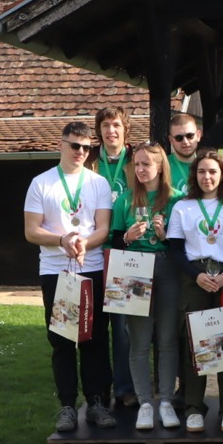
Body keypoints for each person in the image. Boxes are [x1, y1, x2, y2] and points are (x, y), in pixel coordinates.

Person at [23, 121, 115, 432]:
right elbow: (31, 230)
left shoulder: (98, 183)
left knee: (96, 338)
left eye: (87, 147)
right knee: (62, 340)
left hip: (90, 268)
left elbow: (102, 226)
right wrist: (62, 241)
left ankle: (97, 402)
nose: (80, 152)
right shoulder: (41, 183)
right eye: (75, 145)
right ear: (60, 145)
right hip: (56, 270)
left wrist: (83, 244)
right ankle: (66, 405)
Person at [166, 150, 223, 432]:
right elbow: (175, 250)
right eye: (202, 171)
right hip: (195, 277)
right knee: (197, 342)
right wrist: (198, 275)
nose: (207, 177)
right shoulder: (183, 207)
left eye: (213, 171)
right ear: (195, 175)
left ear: (222, 175)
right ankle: (194, 407)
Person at [109, 141, 183, 430]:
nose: (140, 169)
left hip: (167, 268)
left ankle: (165, 400)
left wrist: (167, 237)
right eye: (136, 164)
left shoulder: (176, 199)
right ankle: (144, 403)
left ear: (160, 166)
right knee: (138, 341)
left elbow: (184, 245)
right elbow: (114, 242)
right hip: (132, 268)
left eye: (146, 164)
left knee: (166, 339)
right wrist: (127, 237)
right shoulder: (124, 200)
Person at [89, 107, 136, 407]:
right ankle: (98, 390)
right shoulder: (90, 161)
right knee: (94, 327)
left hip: (125, 251)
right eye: (105, 126)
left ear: (125, 129)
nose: (111, 131)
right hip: (92, 251)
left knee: (123, 328)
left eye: (116, 125)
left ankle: (125, 388)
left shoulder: (136, 159)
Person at [167, 113, 202, 193]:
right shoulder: (162, 166)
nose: (185, 142)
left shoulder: (208, 166)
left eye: (190, 136)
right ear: (171, 140)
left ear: (198, 135)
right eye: (179, 138)